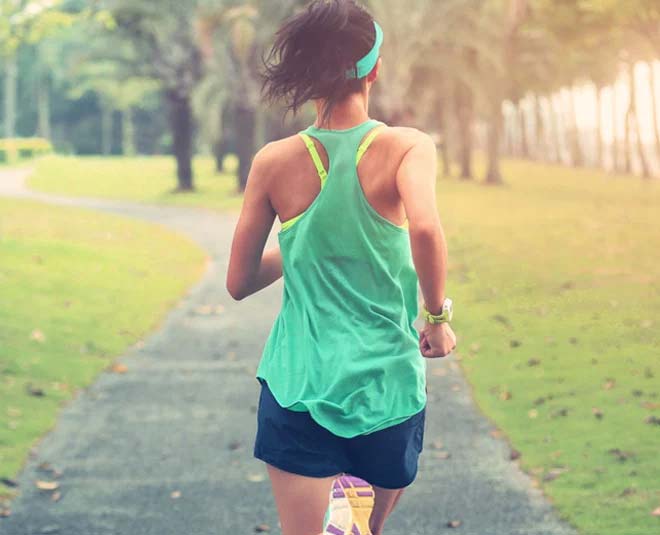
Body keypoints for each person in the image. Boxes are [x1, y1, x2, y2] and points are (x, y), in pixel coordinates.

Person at [226, 1, 456, 534]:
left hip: (298, 385)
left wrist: (304, 244)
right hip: (386, 387)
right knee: (360, 531)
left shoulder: (272, 161)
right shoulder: (407, 147)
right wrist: (437, 320)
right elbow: (424, 229)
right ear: (374, 69)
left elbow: (239, 283)